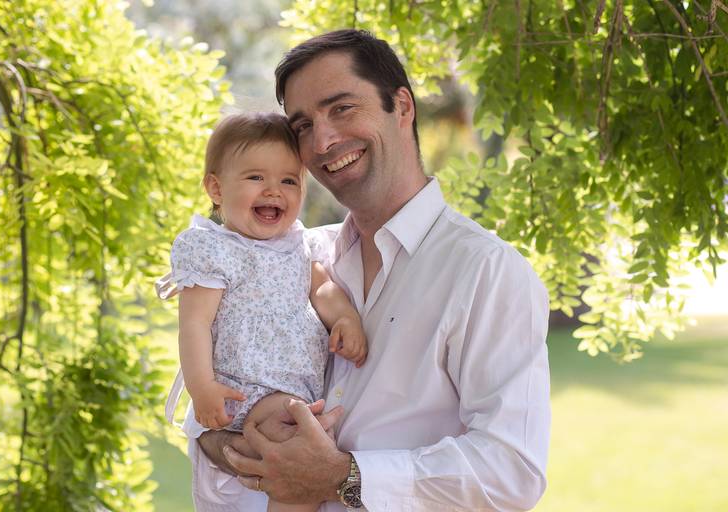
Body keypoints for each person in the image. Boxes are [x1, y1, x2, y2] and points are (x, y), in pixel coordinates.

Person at [197, 29, 551, 512]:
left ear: (402, 107)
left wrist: (343, 477)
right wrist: (227, 443)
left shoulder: (486, 272)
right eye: (302, 125)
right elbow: (209, 397)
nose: (322, 140)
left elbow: (512, 472)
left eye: (342, 109)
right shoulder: (293, 255)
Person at [156, 112, 367, 512]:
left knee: (297, 460)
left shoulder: (298, 245)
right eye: (256, 178)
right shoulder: (213, 250)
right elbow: (195, 325)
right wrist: (202, 388)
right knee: (294, 451)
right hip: (244, 389)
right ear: (216, 188)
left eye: (288, 180)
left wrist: (345, 318)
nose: (274, 190)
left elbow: (322, 287)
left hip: (296, 391)